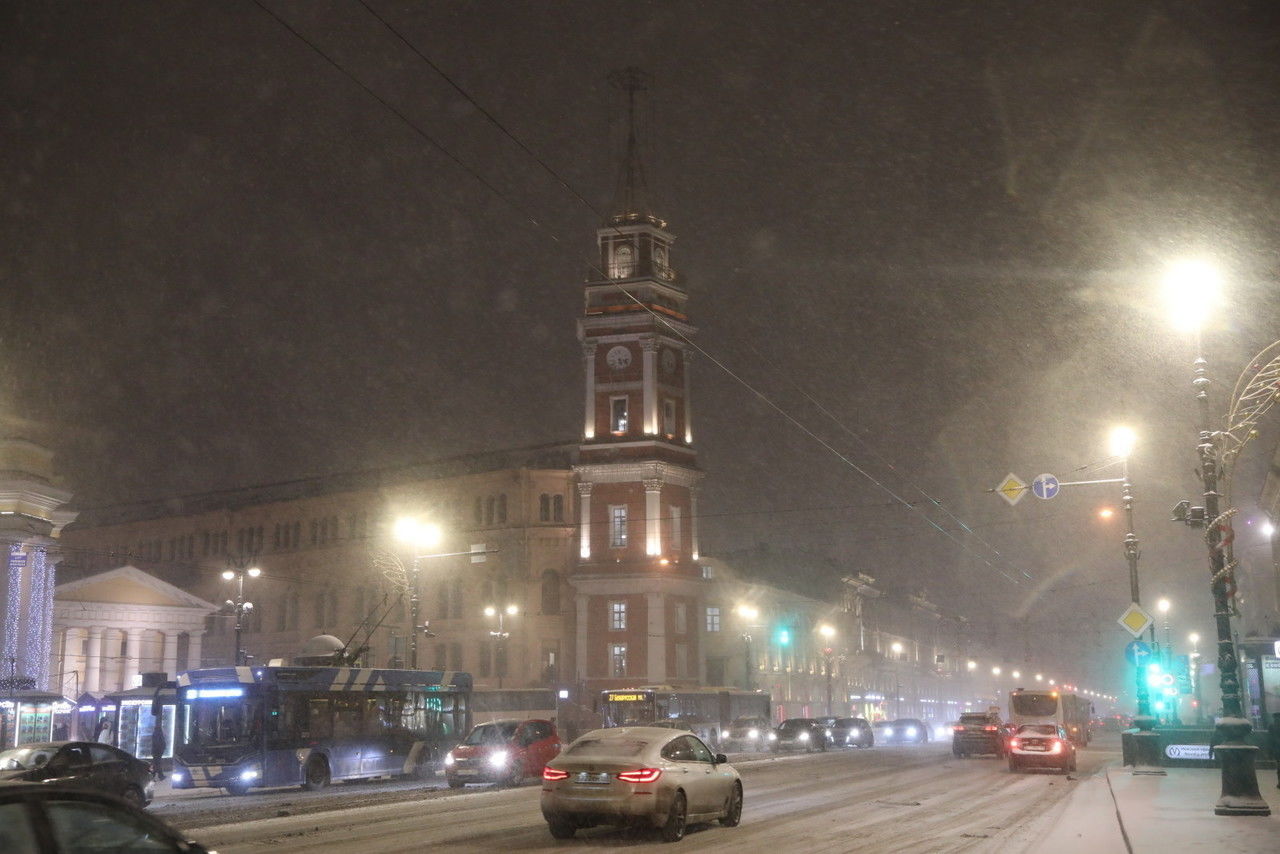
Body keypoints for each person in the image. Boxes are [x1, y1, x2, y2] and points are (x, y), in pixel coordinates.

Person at [1268, 712, 1280, 790]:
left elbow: (1270, 739)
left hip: (1277, 749)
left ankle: (1279, 782)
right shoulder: (1272, 726)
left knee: (1279, 766)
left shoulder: (1271, 726)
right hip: (1277, 748)